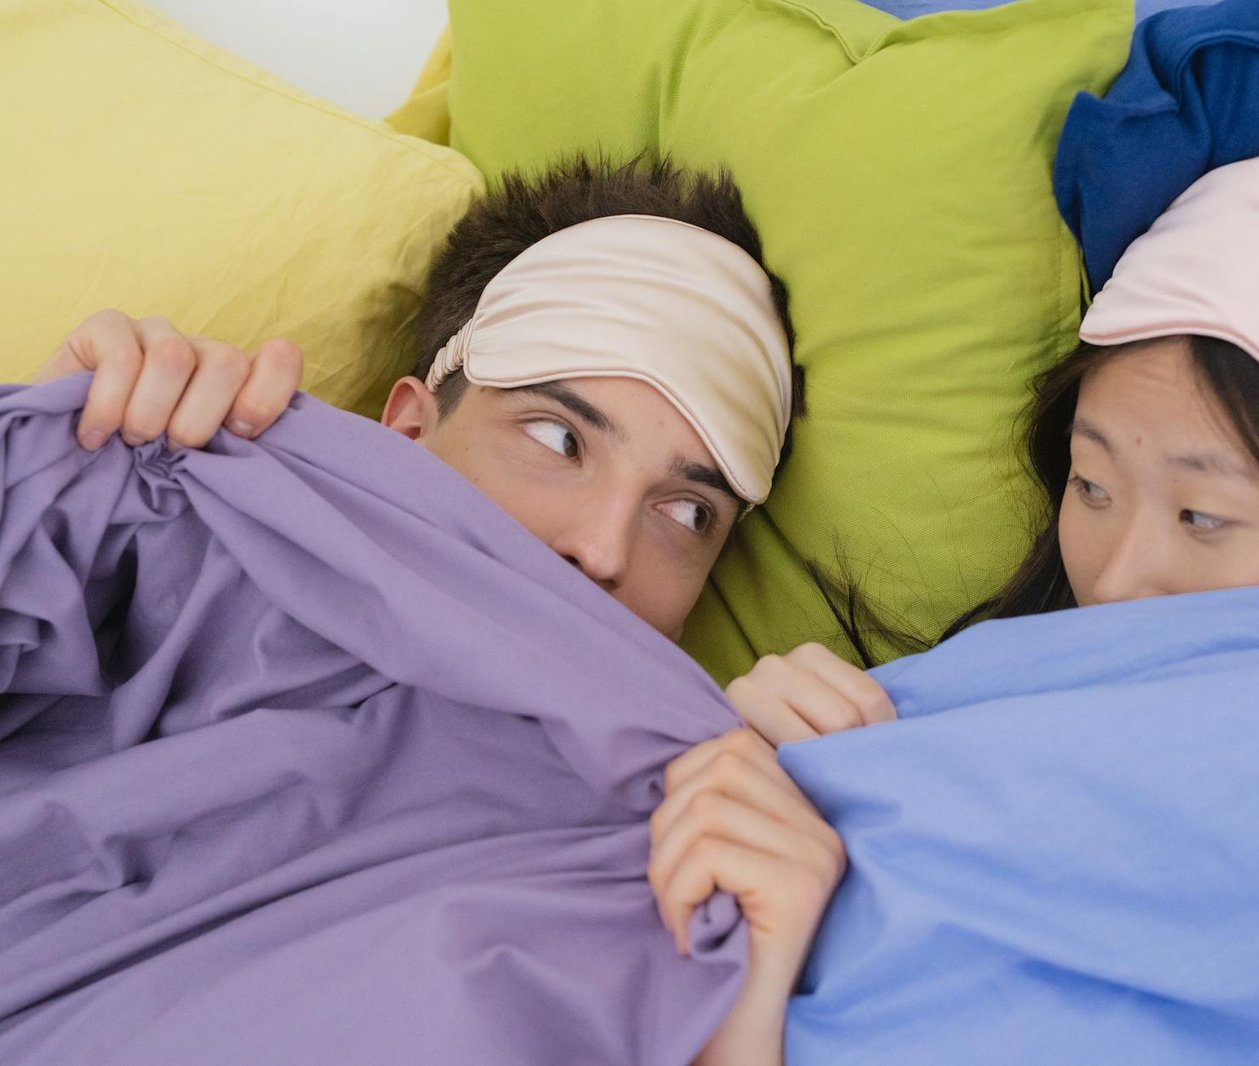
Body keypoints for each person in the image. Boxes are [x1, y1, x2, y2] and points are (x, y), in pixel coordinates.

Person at [652, 152, 1259, 1064]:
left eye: (1203, 516)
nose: (1117, 579)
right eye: (1093, 487)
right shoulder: (928, 716)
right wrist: (751, 781)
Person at [30, 155, 840, 1066]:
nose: (605, 550)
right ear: (409, 426)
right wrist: (48, 472)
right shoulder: (163, 554)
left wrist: (748, 1008)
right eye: (558, 439)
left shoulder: (669, 860)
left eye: (687, 513)